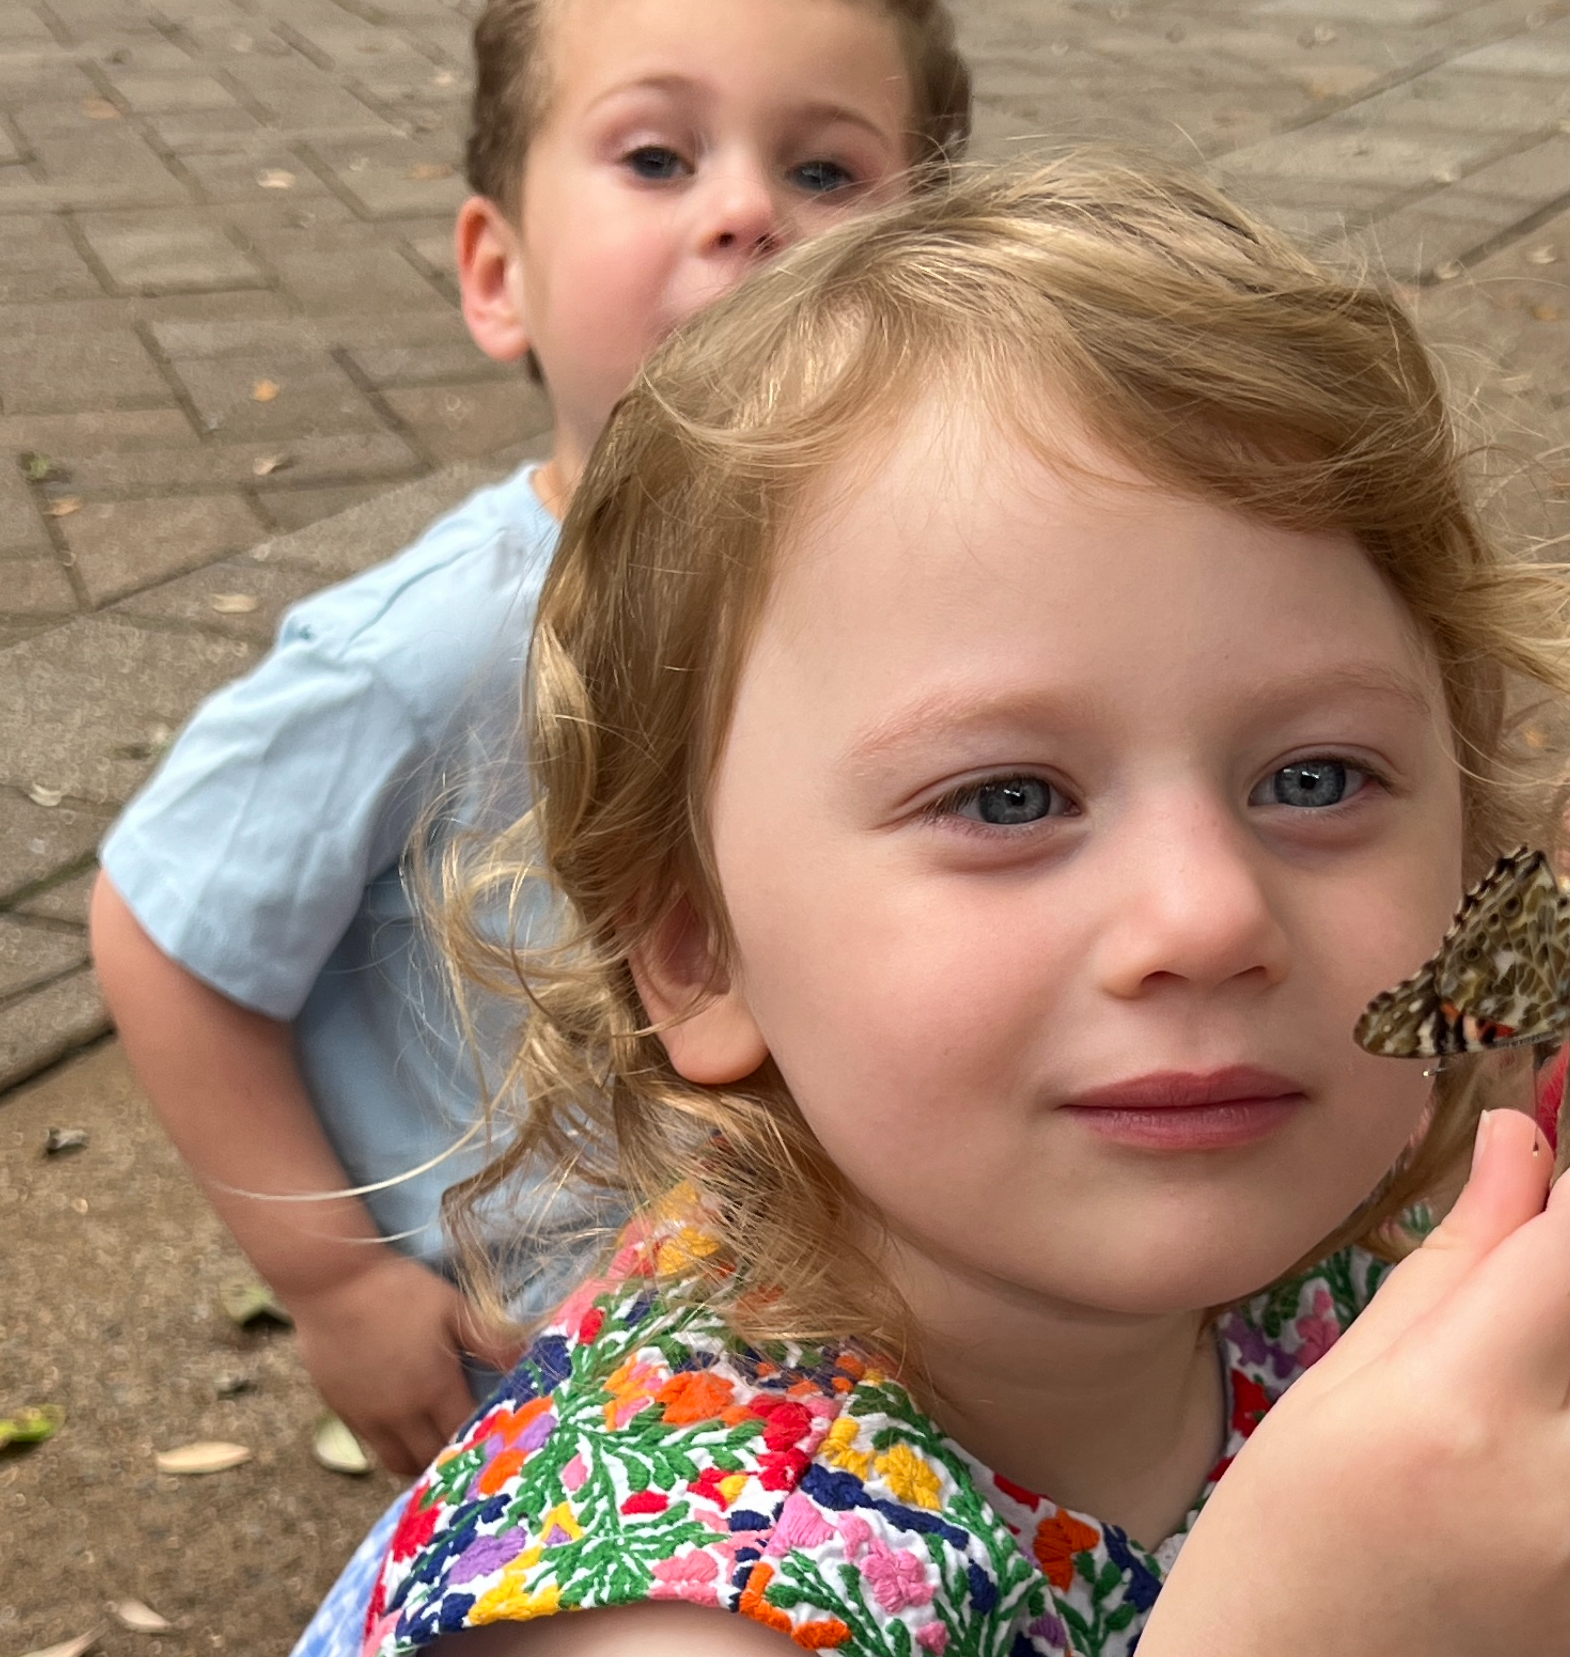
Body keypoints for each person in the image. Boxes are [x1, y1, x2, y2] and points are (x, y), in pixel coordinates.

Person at [345, 156, 1570, 1655]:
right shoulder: (671, 1605)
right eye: (1007, 800)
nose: (1204, 915)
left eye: (1315, 778)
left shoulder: (1328, 1274)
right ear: (694, 950)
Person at [86, 0, 970, 1479]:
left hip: (831, 1305)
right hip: (548, 1373)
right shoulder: (434, 651)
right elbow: (164, 928)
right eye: (655, 156)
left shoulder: (930, 594)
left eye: (826, 172)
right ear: (502, 275)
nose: (748, 211)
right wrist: (331, 1277)